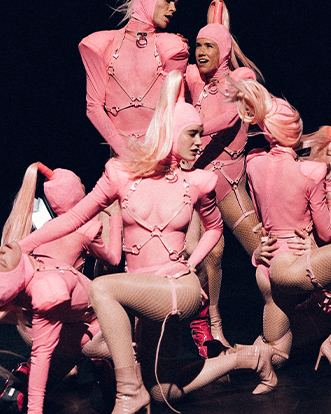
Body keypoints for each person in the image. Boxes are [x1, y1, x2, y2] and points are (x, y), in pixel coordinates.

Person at [16, 72, 283, 414]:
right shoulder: (120, 175)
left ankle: (129, 393)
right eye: (192, 134)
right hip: (145, 296)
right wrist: (22, 247)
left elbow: (214, 229)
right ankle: (249, 358)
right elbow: (72, 219)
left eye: (200, 134)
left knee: (101, 289)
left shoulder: (200, 181)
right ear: (169, 133)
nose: (199, 142)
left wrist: (192, 261)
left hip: (178, 288)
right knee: (162, 390)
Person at [231, 81, 331, 383]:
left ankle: (221, 365)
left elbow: (263, 217)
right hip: (290, 266)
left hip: (266, 268)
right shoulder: (311, 172)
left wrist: (261, 246)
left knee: (276, 354)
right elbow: (326, 230)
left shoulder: (253, 162)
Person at [0, 163, 120, 414]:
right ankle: (102, 365)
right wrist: (116, 219)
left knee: (51, 366)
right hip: (66, 315)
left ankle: (24, 377)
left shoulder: (45, 228)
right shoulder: (87, 229)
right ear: (78, 191)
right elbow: (113, 260)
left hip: (34, 320)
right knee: (105, 332)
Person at [81, 0, 210, 157]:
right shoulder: (99, 44)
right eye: (169, 0)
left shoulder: (171, 48)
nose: (173, 9)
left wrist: (152, 153)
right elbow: (94, 107)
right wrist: (127, 154)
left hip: (160, 158)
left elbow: (173, 109)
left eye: (175, 3)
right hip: (122, 162)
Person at [182, 0, 265, 354]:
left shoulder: (241, 79)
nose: (201, 52)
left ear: (225, 50)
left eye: (209, 46)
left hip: (230, 184)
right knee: (204, 255)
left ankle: (294, 316)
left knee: (263, 252)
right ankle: (210, 329)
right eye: (198, 45)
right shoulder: (191, 79)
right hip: (198, 184)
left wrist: (193, 130)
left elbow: (232, 117)